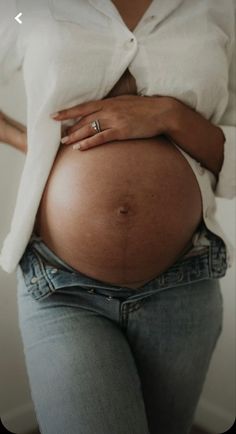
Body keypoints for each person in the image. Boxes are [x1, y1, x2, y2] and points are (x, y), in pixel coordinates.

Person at [0, 1, 235, 433]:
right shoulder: (23, 8)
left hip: (184, 283)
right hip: (62, 286)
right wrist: (30, 143)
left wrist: (171, 116)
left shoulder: (219, 9)